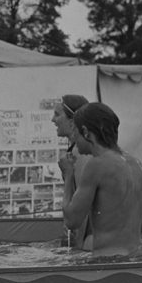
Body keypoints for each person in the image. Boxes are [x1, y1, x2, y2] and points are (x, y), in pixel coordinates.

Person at [60, 102, 142, 259]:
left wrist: (68, 175)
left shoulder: (97, 164)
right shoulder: (136, 163)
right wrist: (123, 240)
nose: (74, 138)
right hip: (138, 255)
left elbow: (71, 220)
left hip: (109, 261)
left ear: (86, 132)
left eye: (75, 132)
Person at [52, 94, 91, 243]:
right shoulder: (75, 151)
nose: (53, 120)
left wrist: (77, 247)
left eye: (57, 114)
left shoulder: (80, 154)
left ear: (72, 120)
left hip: (85, 242)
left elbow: (85, 205)